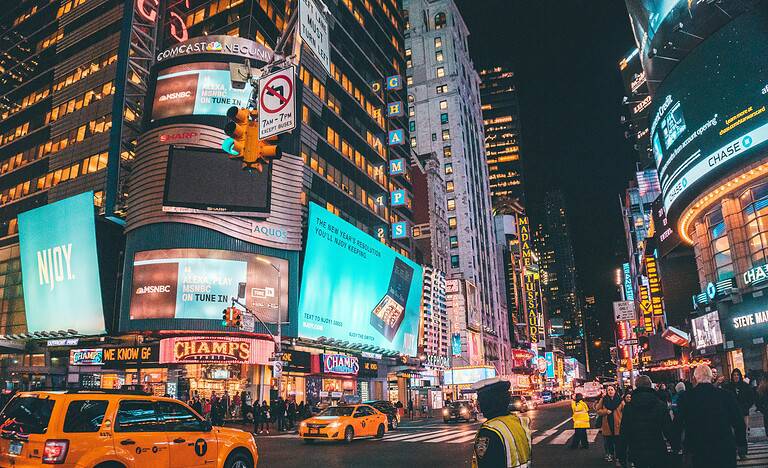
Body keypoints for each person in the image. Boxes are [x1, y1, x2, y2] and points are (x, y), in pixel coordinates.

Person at [674, 364, 746, 468]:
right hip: (724, 447)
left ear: (695, 378)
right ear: (711, 377)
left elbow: (678, 423)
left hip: (697, 449)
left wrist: (676, 445)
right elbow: (738, 421)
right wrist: (741, 443)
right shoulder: (726, 395)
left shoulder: (686, 398)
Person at [470, 377, 531, 467]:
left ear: (489, 403)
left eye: (481, 401)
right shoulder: (518, 422)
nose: (479, 405)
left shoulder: (489, 431)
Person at [620, 375, 675, 468]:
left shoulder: (629, 406)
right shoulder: (660, 405)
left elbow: (624, 431)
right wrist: (675, 446)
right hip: (657, 447)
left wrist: (622, 455)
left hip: (637, 449)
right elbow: (668, 429)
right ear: (650, 386)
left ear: (636, 386)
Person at [723, 368, 755, 439]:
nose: (736, 376)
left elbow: (751, 398)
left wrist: (747, 406)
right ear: (732, 376)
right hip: (732, 412)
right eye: (734, 375)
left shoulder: (745, 386)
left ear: (740, 376)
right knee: (734, 431)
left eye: (737, 375)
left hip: (744, 411)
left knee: (744, 431)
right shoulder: (729, 386)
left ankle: (743, 446)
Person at [595, 385, 623, 462]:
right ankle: (610, 454)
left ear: (615, 391)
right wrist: (605, 412)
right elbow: (598, 410)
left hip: (617, 424)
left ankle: (618, 456)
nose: (610, 391)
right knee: (609, 442)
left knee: (618, 443)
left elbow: (625, 411)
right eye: (608, 390)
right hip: (607, 424)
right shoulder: (604, 400)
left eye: (612, 389)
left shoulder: (620, 400)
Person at [616, 391, 632, 468]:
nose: (629, 399)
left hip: (629, 429)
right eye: (627, 397)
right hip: (623, 427)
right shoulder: (623, 405)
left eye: (630, 397)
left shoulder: (631, 406)